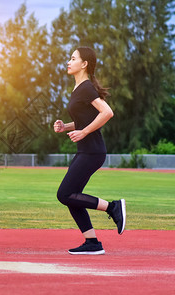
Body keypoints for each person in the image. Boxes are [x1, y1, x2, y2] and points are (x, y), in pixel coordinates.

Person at [54, 46, 126, 255]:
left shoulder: (85, 87)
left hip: (92, 152)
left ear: (84, 64)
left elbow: (107, 112)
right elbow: (83, 119)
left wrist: (84, 132)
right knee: (70, 195)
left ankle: (113, 207)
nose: (69, 61)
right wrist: (66, 127)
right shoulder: (79, 89)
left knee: (65, 193)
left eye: (73, 58)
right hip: (86, 151)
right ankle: (92, 242)